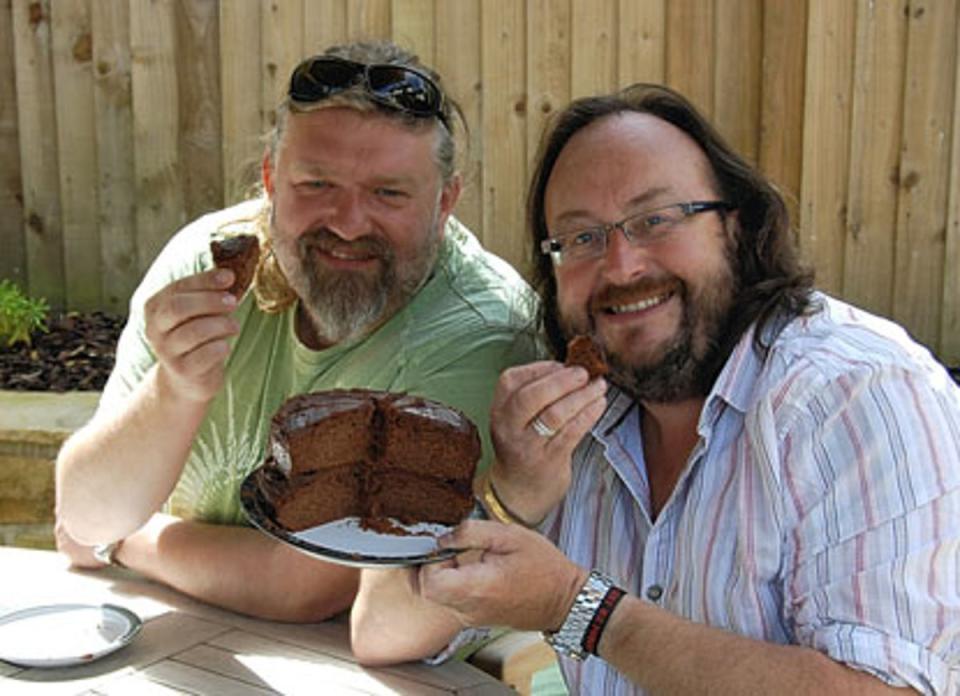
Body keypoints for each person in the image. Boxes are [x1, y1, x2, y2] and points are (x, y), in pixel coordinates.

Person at [350, 83, 960, 694]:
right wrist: (511, 492)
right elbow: (381, 630)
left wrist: (579, 609)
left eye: (656, 219)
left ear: (737, 229)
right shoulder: (577, 420)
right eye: (582, 238)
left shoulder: (859, 398)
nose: (621, 266)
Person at [54, 40, 539, 622]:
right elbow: (84, 513)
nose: (347, 222)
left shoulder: (481, 331)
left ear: (445, 202)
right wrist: (176, 389)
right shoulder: (204, 267)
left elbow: (306, 586)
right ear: (270, 180)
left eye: (388, 193)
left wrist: (131, 544)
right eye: (316, 185)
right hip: (167, 635)